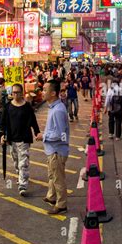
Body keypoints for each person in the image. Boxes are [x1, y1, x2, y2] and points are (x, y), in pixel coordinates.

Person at [0, 84, 41, 196]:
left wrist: (37, 132)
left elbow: (33, 120)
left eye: (17, 92)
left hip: (24, 139)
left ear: (22, 93)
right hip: (12, 139)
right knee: (16, 161)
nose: (15, 94)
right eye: (13, 92)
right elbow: (2, 122)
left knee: (23, 163)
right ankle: (20, 175)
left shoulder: (27, 107)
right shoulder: (8, 107)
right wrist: (2, 134)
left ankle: (23, 185)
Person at [41, 80, 70, 215]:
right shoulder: (54, 107)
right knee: (52, 175)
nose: (42, 92)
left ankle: (62, 204)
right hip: (53, 150)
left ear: (53, 93)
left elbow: (60, 134)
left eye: (45, 90)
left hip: (57, 150)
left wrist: (44, 136)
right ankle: (52, 197)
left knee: (58, 178)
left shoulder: (58, 110)